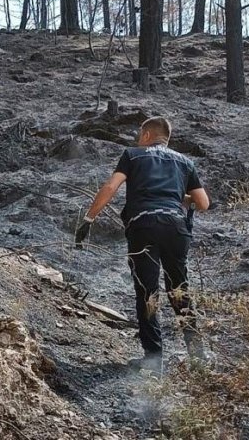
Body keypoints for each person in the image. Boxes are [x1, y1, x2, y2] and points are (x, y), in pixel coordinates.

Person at [75, 116, 210, 373]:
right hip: (176, 228)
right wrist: (179, 196)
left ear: (147, 135)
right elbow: (203, 203)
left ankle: (153, 360)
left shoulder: (132, 155)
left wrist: (89, 218)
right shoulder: (185, 162)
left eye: (140, 135)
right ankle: (198, 357)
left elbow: (110, 186)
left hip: (144, 226)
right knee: (179, 291)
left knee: (148, 292)